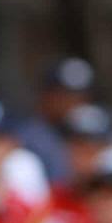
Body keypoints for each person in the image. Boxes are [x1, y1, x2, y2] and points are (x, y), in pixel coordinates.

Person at [17, 57, 94, 185]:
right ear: (47, 95)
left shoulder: (90, 134)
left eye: (80, 95)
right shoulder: (29, 138)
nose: (74, 102)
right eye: (65, 95)